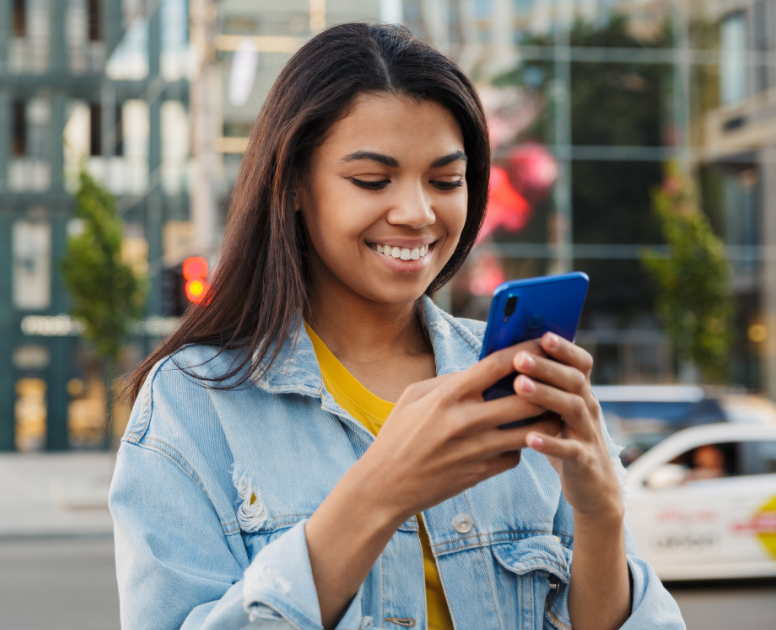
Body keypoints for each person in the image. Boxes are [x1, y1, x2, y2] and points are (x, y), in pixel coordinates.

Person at [109, 23, 684, 630]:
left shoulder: (516, 379)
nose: (417, 213)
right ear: (296, 185)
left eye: (446, 181)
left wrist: (600, 515)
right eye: (371, 180)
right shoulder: (193, 402)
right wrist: (377, 495)